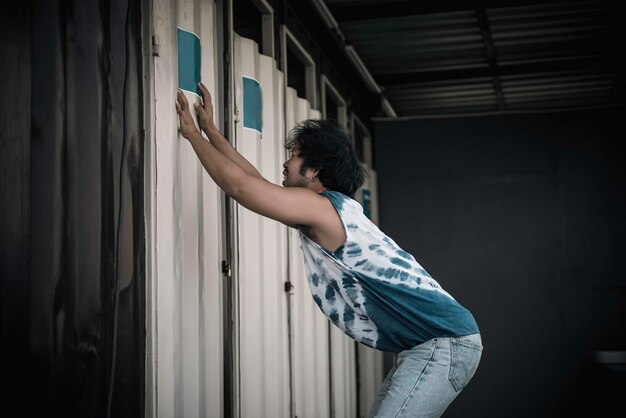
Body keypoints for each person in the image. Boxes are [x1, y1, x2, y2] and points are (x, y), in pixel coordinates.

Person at [175, 83, 483, 417]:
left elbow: (242, 187)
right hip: (434, 344)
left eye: (294, 155)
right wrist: (210, 132)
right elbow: (255, 182)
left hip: (444, 344)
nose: (286, 162)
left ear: (315, 169)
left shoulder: (323, 209)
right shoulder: (332, 208)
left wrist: (192, 136)